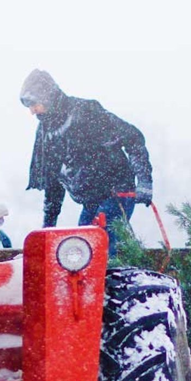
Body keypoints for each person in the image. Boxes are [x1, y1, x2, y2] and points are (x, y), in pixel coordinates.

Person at [20, 69, 154, 256]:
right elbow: (53, 182)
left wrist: (145, 181)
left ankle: (113, 281)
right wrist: (47, 228)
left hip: (117, 191)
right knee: (83, 250)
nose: (32, 111)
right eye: (28, 106)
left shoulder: (86, 112)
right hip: (91, 199)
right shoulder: (46, 133)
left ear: (47, 96)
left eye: (34, 104)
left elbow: (133, 137)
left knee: (100, 251)